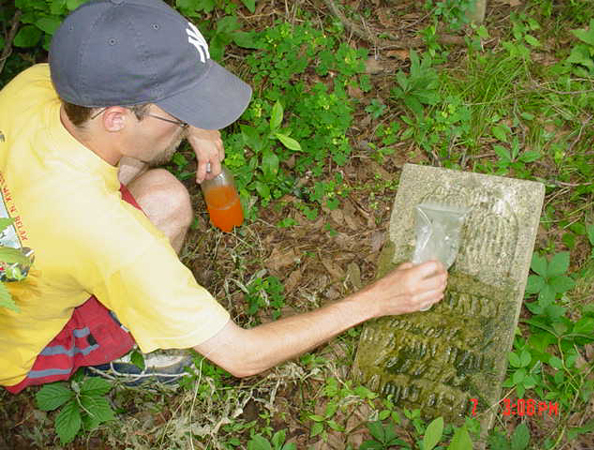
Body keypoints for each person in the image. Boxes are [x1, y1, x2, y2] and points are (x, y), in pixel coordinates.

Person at [0, 0, 447, 393]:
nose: (188, 122)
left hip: (37, 231)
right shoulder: (113, 240)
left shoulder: (34, 87)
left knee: (162, 192)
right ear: (116, 117)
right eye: (178, 112)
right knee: (167, 204)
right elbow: (242, 354)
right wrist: (379, 300)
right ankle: (118, 354)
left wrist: (191, 122)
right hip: (21, 341)